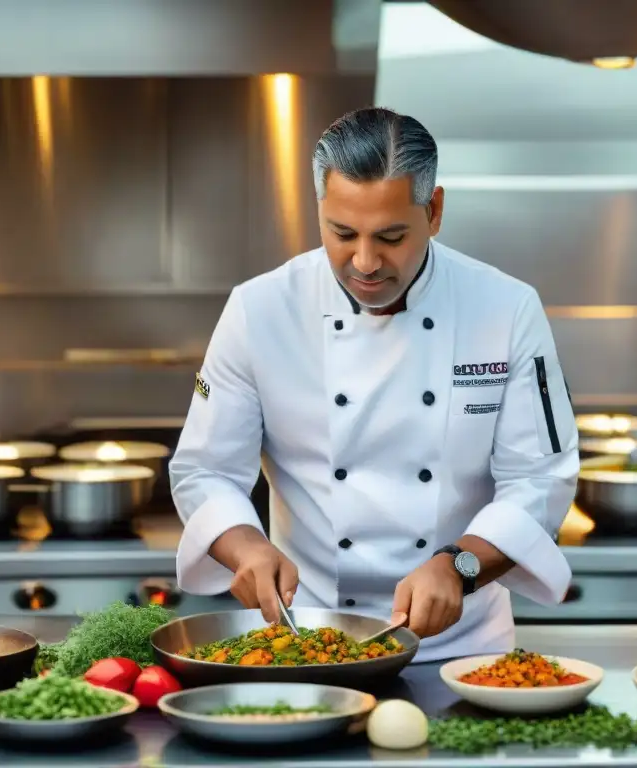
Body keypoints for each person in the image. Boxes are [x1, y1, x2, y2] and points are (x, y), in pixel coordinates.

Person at [169, 107, 579, 662]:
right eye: (342, 233)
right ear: (320, 210)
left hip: (463, 649)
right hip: (308, 640)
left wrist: (459, 565)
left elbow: (540, 479)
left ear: (433, 212)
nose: (364, 261)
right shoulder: (260, 310)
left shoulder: (505, 308)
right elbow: (206, 469)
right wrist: (245, 549)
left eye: (390, 236)